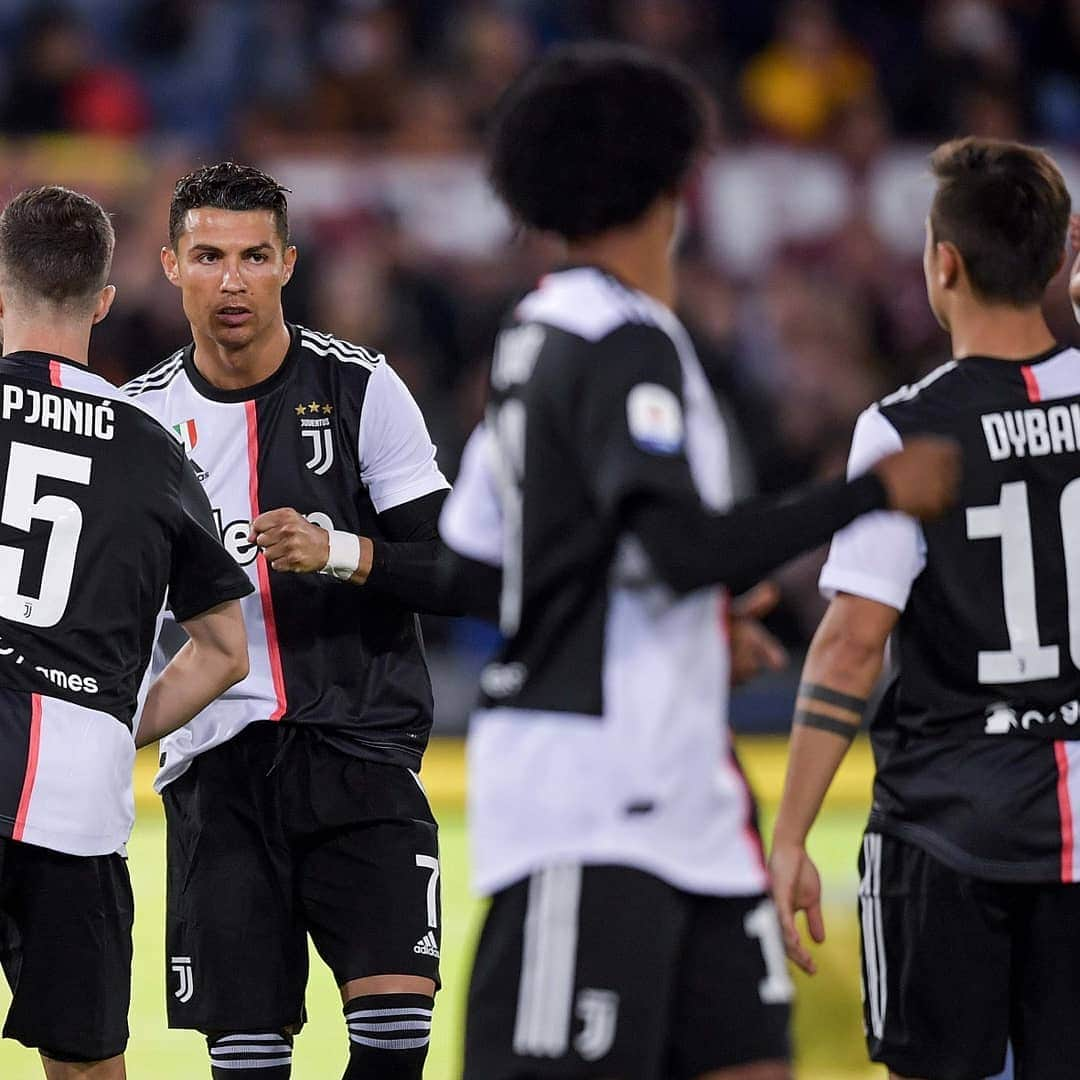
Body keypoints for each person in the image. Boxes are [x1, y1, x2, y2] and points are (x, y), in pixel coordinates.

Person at [438, 44, 959, 1080]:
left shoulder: (537, 338)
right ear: (675, 181)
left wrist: (679, 630)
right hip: (593, 802)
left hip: (687, 807)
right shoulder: (621, 341)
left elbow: (475, 566)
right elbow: (677, 550)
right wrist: (873, 490)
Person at [123, 162, 462, 1080]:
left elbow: (460, 573)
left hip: (362, 752)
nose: (231, 280)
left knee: (395, 1051)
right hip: (218, 772)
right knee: (249, 1065)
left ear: (287, 264)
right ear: (170, 266)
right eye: (208, 257)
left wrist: (341, 551)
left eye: (253, 256)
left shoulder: (362, 389)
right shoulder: (138, 423)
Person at [768, 137, 1078, 1080]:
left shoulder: (906, 429)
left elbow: (853, 646)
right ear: (1063, 256)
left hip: (950, 821)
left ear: (942, 263)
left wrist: (789, 836)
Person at [0, 186, 251, 1079]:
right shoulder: (155, 445)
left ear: (1, 290)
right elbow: (225, 652)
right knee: (86, 1065)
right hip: (76, 799)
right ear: (103, 303)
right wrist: (113, 720)